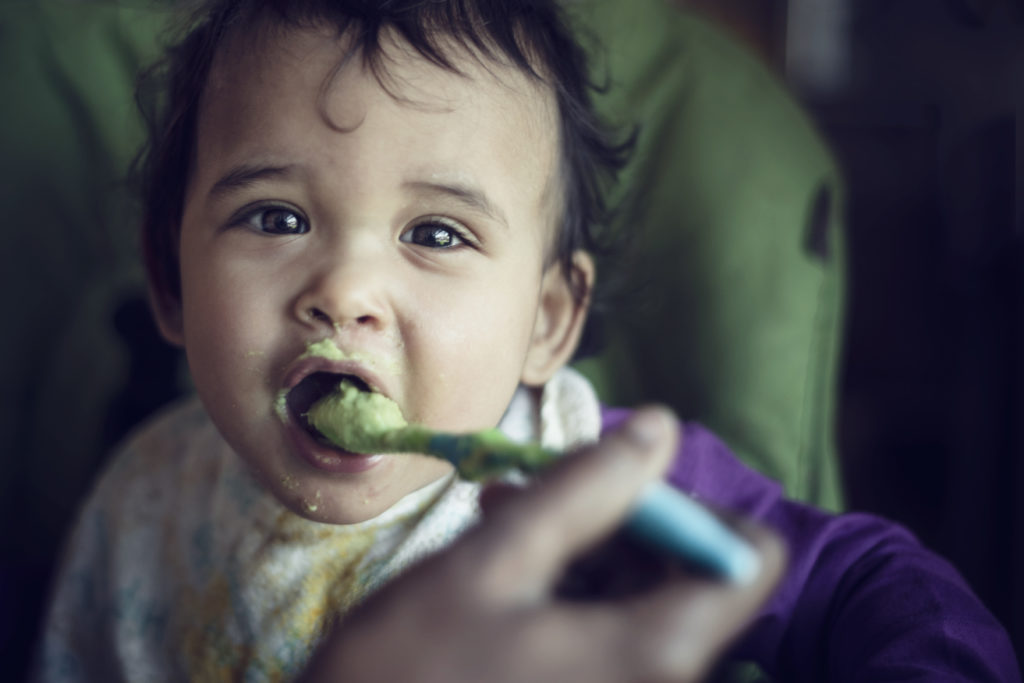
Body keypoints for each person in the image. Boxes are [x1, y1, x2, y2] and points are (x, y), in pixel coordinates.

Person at [34, 0, 1020, 680]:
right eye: (276, 218)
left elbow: (856, 583)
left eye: (434, 233)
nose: (344, 291)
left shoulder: (593, 485)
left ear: (547, 321)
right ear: (169, 282)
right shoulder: (142, 501)